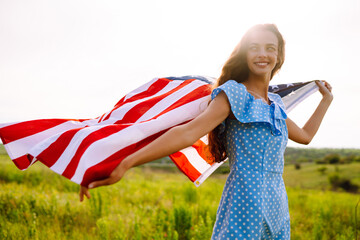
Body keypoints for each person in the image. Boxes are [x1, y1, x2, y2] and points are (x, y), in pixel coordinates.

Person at [79, 24, 333, 239]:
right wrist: (127, 163)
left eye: (270, 48)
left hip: (277, 203)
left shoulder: (275, 104)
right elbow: (187, 133)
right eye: (254, 47)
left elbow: (305, 137)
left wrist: (325, 101)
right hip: (244, 201)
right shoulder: (233, 93)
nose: (262, 54)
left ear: (279, 56)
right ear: (244, 54)